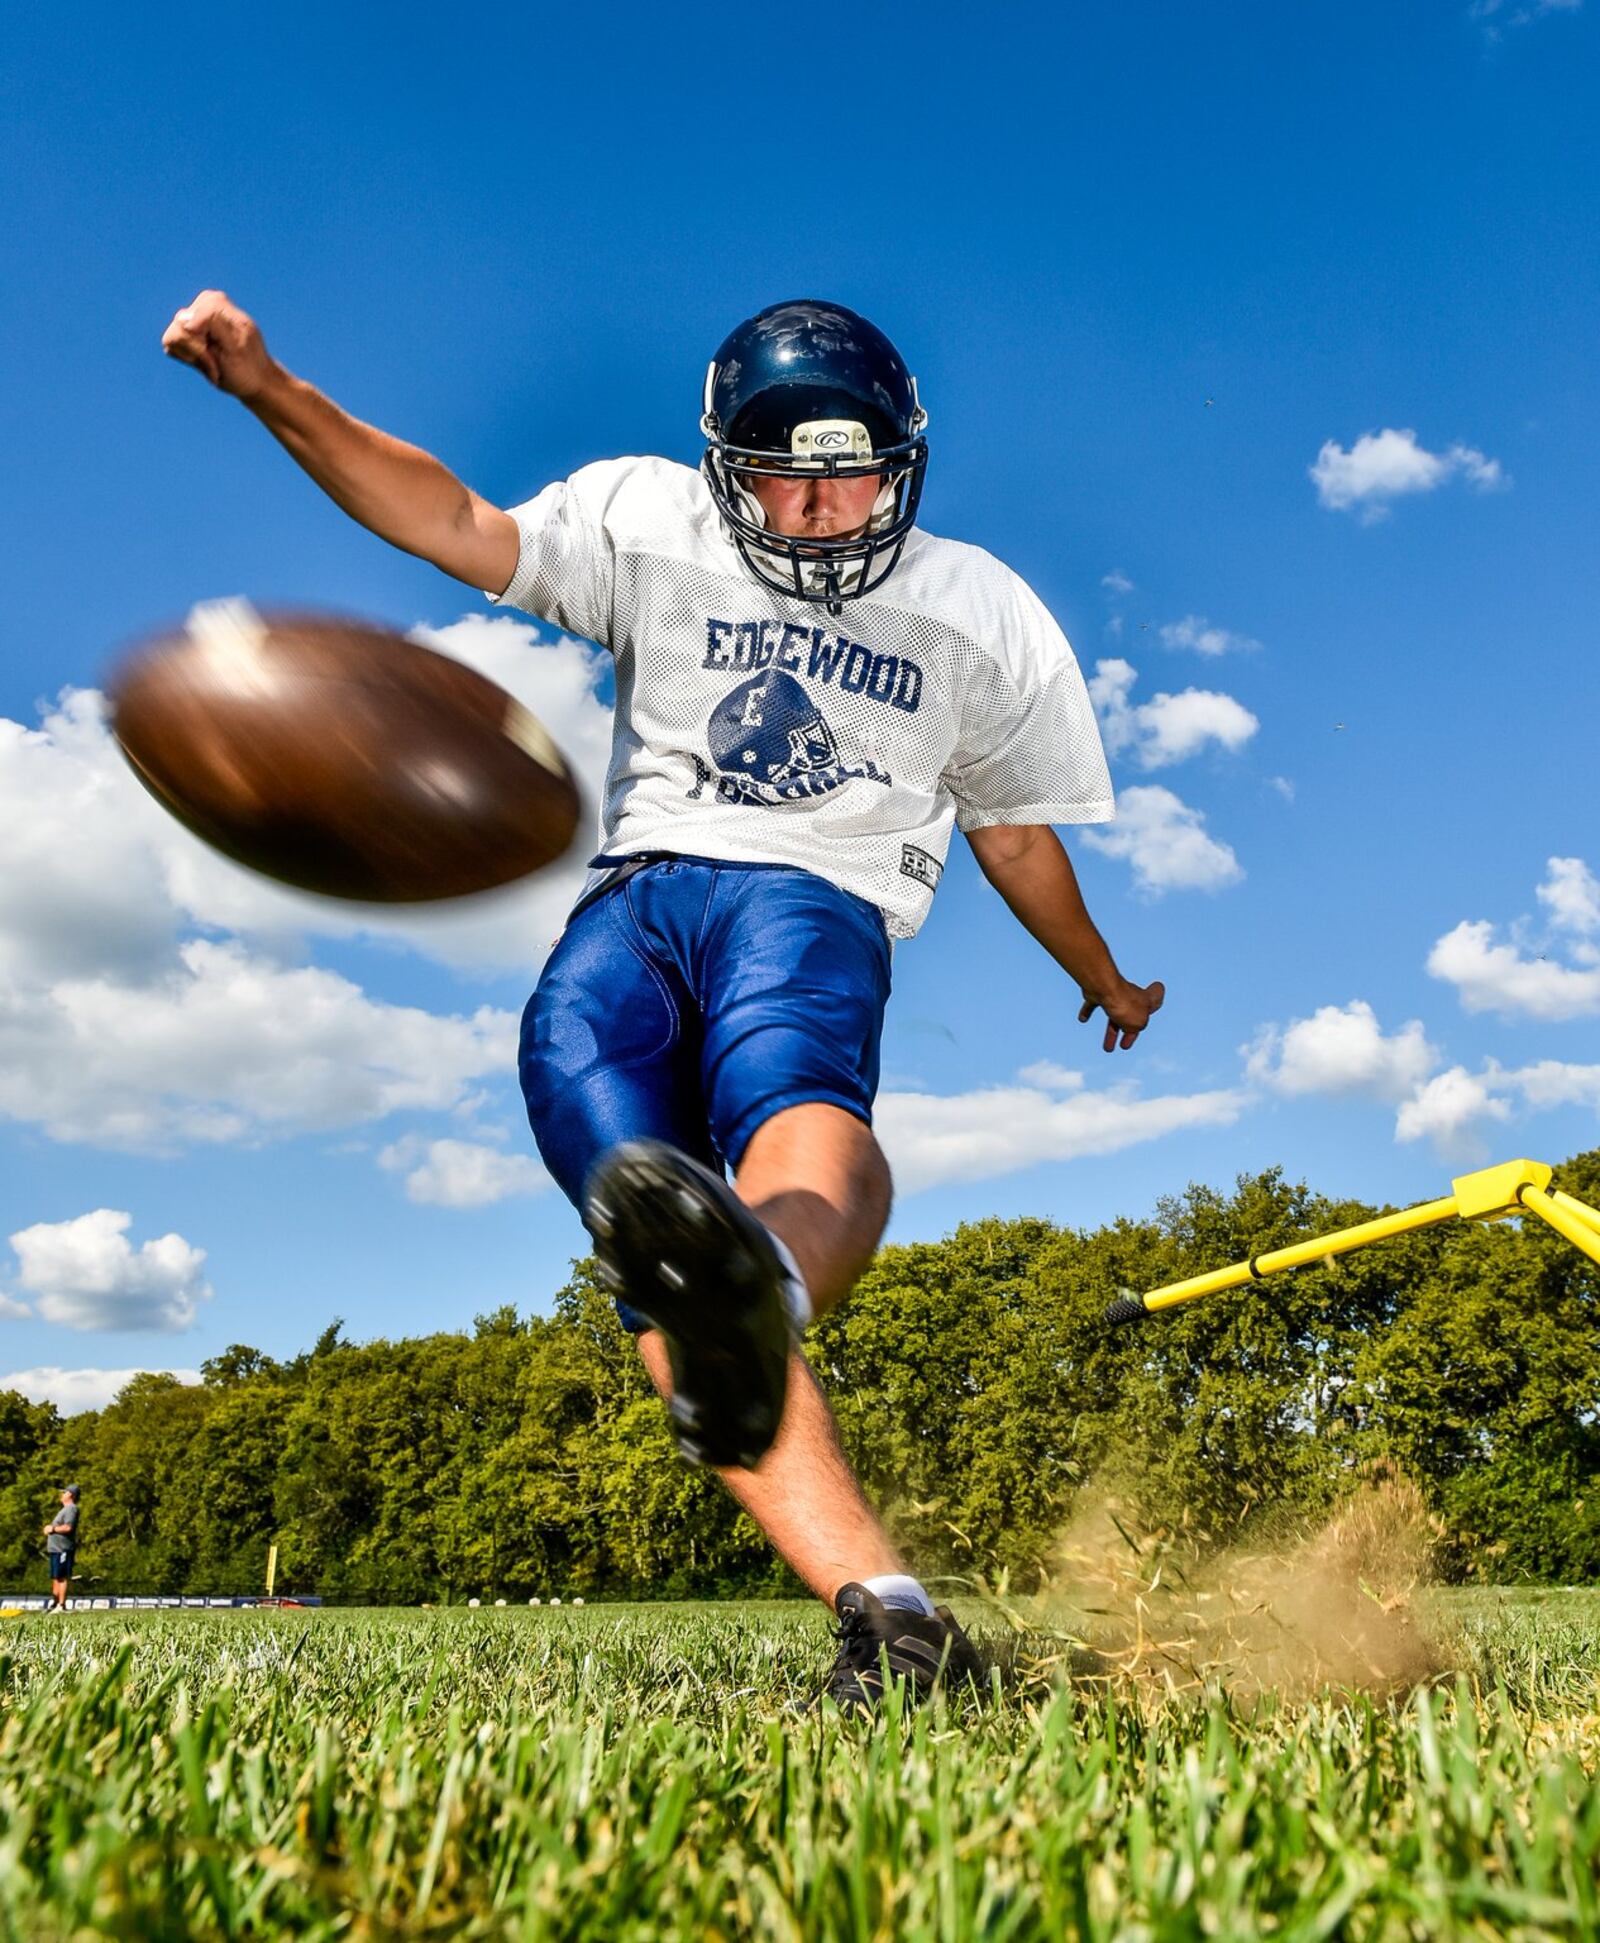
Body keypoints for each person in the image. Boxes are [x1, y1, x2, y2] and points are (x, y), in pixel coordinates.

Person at [161, 293, 1163, 1705]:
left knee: (790, 1085)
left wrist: (1101, 973)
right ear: (723, 469)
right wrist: (271, 388)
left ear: (906, 460)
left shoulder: (977, 607)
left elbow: (1010, 828)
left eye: (852, 469)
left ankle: (782, 1278)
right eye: (784, 475)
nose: (820, 506)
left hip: (813, 892)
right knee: (612, 1140)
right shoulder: (650, 522)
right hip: (637, 888)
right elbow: (453, 519)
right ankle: (898, 1616)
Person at [42, 1485, 79, 1611]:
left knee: (61, 1577)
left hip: (63, 1548)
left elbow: (68, 1527)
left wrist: (52, 1529)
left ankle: (61, 1605)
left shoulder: (71, 1509)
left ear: (70, 1495)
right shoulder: (64, 1509)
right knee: (56, 1576)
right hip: (55, 1549)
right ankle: (55, 1603)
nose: (62, 1494)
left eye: (64, 1492)